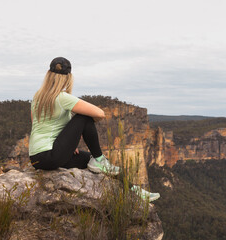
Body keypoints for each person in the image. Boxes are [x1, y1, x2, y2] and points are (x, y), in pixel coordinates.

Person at [29, 57, 160, 202]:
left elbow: (38, 126)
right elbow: (99, 113)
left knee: (94, 162)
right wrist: (71, 138)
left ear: (48, 74)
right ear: (68, 78)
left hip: (37, 159)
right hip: (51, 155)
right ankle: (99, 159)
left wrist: (66, 144)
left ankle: (136, 191)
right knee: (84, 118)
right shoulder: (62, 98)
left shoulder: (37, 97)